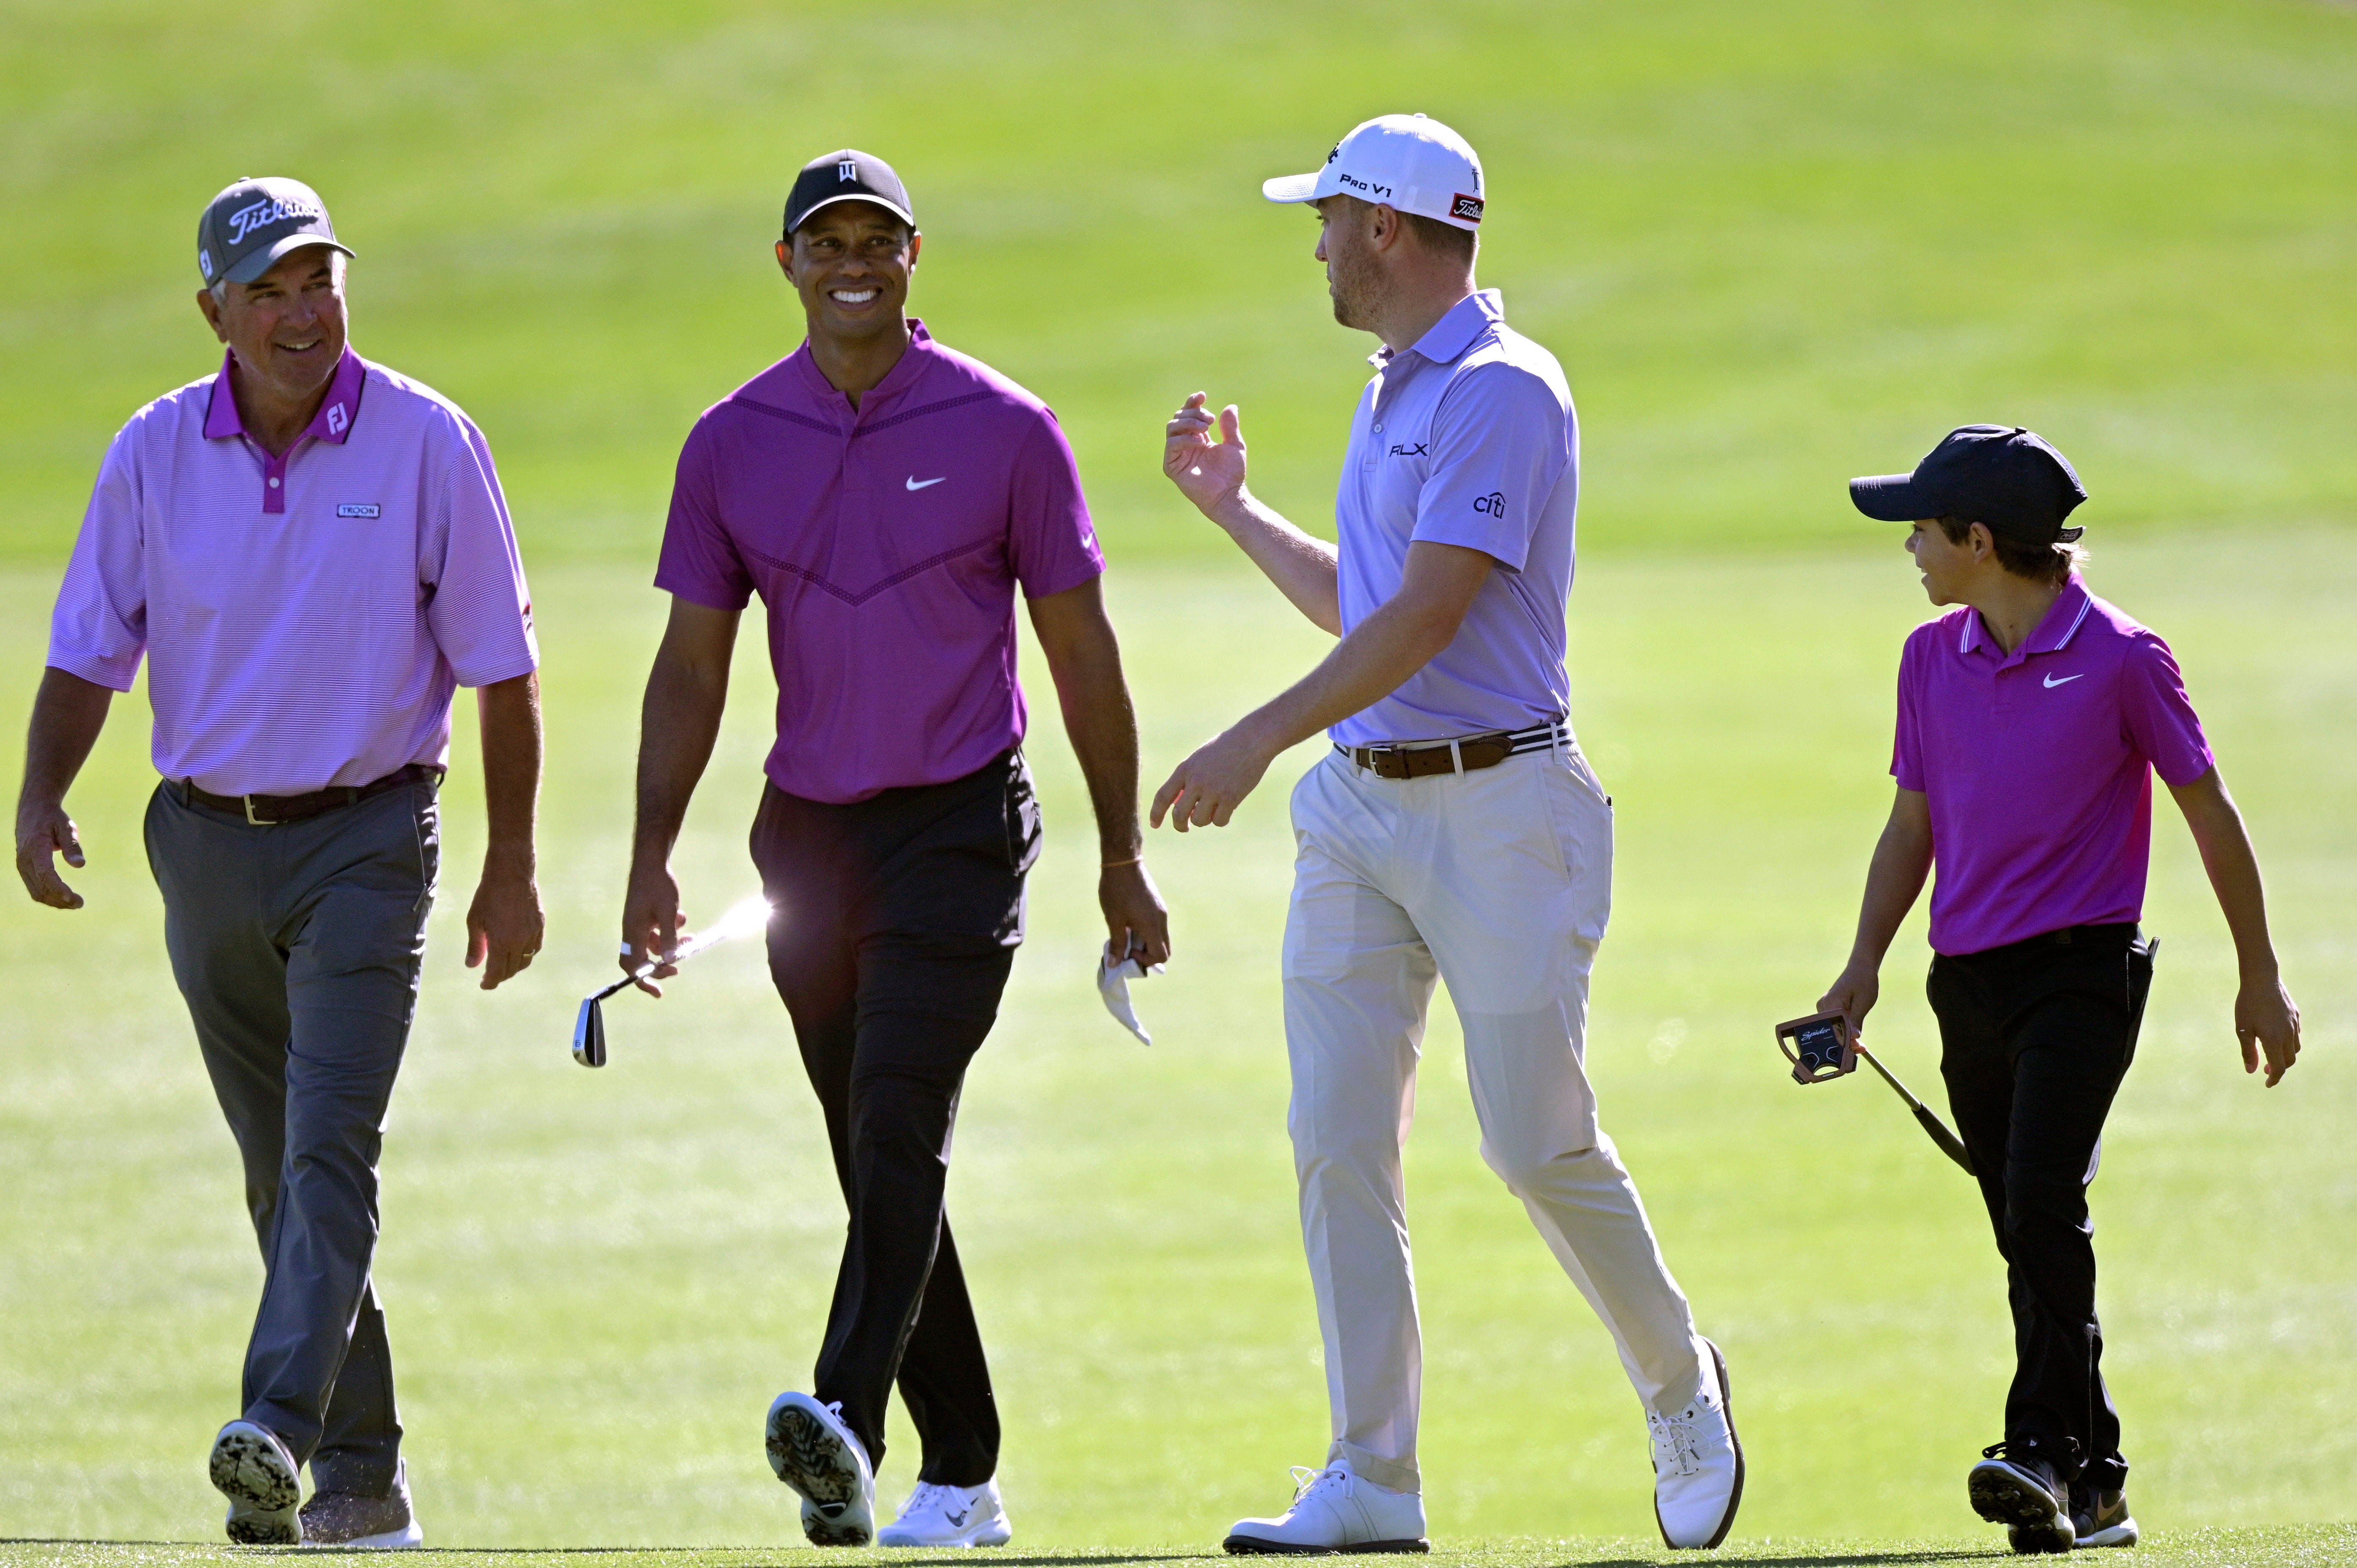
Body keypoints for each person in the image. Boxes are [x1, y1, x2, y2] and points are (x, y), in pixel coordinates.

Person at [1156, 114, 1742, 1554]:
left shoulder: (1502, 389)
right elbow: (1369, 608)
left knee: (1533, 1142)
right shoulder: (1390, 391)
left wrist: (1253, 735)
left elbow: (1431, 616)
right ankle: (1373, 1475)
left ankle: (1678, 1383)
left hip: (1502, 807)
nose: (1315, 248)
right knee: (1335, 1135)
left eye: (1329, 222)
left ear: (1389, 230)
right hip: (1364, 808)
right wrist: (1235, 513)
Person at [618, 149, 1169, 1550]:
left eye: (877, 239)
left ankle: (844, 1425)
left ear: (914, 255)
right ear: (789, 263)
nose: (851, 261)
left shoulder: (1005, 429)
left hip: (959, 825)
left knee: (895, 1120)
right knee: (879, 1161)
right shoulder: (730, 440)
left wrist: (1118, 856)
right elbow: (691, 666)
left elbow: (1081, 654)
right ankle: (965, 1470)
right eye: (825, 241)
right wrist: (649, 856)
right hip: (804, 840)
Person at [12, 177, 544, 1548]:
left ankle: (273, 1433)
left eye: (320, 280)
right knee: (279, 1172)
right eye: (270, 290)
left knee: (327, 1156)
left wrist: (511, 867)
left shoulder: (427, 441)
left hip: (368, 842)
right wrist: (38, 796)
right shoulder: (153, 449)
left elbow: (502, 670)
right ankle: (362, 1488)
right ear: (215, 310)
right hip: (203, 849)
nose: (304, 312)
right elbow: (90, 645)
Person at [1817, 425, 2302, 1554]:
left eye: (1922, 534)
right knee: (2023, 1227)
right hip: (1965, 983)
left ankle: (2034, 1444)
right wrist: (1861, 969)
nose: (1912, 553)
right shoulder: (1929, 657)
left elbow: (2210, 815)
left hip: (2080, 974)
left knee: (2039, 1199)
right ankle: (2094, 1488)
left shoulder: (2126, 658)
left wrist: (2259, 977)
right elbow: (1910, 828)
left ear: (1979, 541)